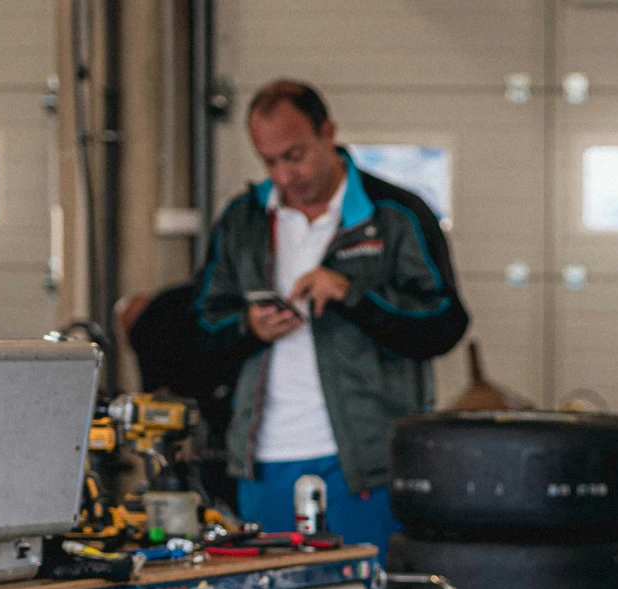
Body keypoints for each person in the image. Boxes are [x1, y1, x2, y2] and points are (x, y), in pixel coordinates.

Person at [195, 80, 468, 551]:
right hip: (261, 463)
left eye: (295, 155)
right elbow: (201, 327)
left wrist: (353, 294)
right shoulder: (242, 220)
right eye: (270, 161)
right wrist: (250, 328)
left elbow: (444, 324)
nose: (284, 175)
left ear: (328, 132)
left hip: (365, 464)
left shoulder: (396, 215)